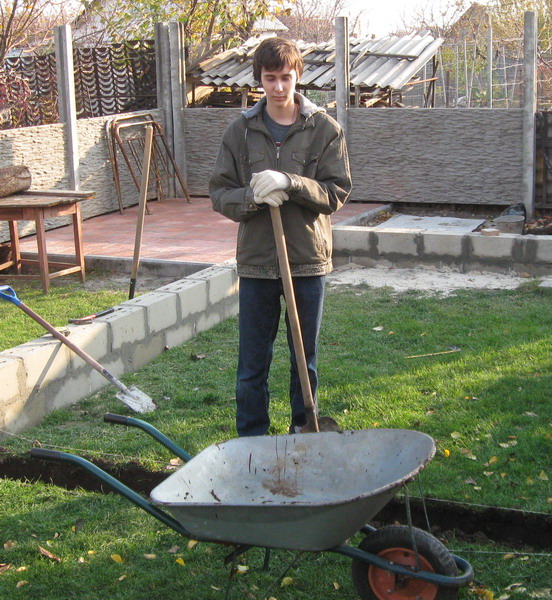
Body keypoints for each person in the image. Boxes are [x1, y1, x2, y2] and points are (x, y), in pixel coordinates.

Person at [209, 37, 352, 437]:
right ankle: (251, 439)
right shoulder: (240, 132)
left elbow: (336, 192)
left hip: (307, 260)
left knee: (304, 360)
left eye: (285, 77)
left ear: (297, 77)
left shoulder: (323, 130)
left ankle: (303, 431)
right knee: (252, 363)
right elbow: (219, 193)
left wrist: (291, 182)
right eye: (270, 78)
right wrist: (252, 197)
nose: (278, 87)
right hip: (257, 262)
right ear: (259, 79)